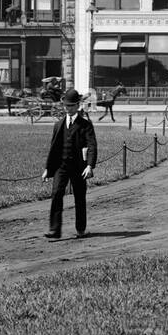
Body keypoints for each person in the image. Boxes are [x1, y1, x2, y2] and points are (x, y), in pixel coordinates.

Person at [41, 88, 97, 240]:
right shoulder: (58, 125)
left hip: (79, 168)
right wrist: (48, 169)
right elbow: (53, 149)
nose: (68, 109)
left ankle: (80, 229)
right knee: (56, 194)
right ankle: (54, 230)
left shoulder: (85, 125)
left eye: (71, 106)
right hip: (61, 166)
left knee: (79, 197)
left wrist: (89, 166)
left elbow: (92, 146)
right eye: (66, 106)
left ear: (78, 106)